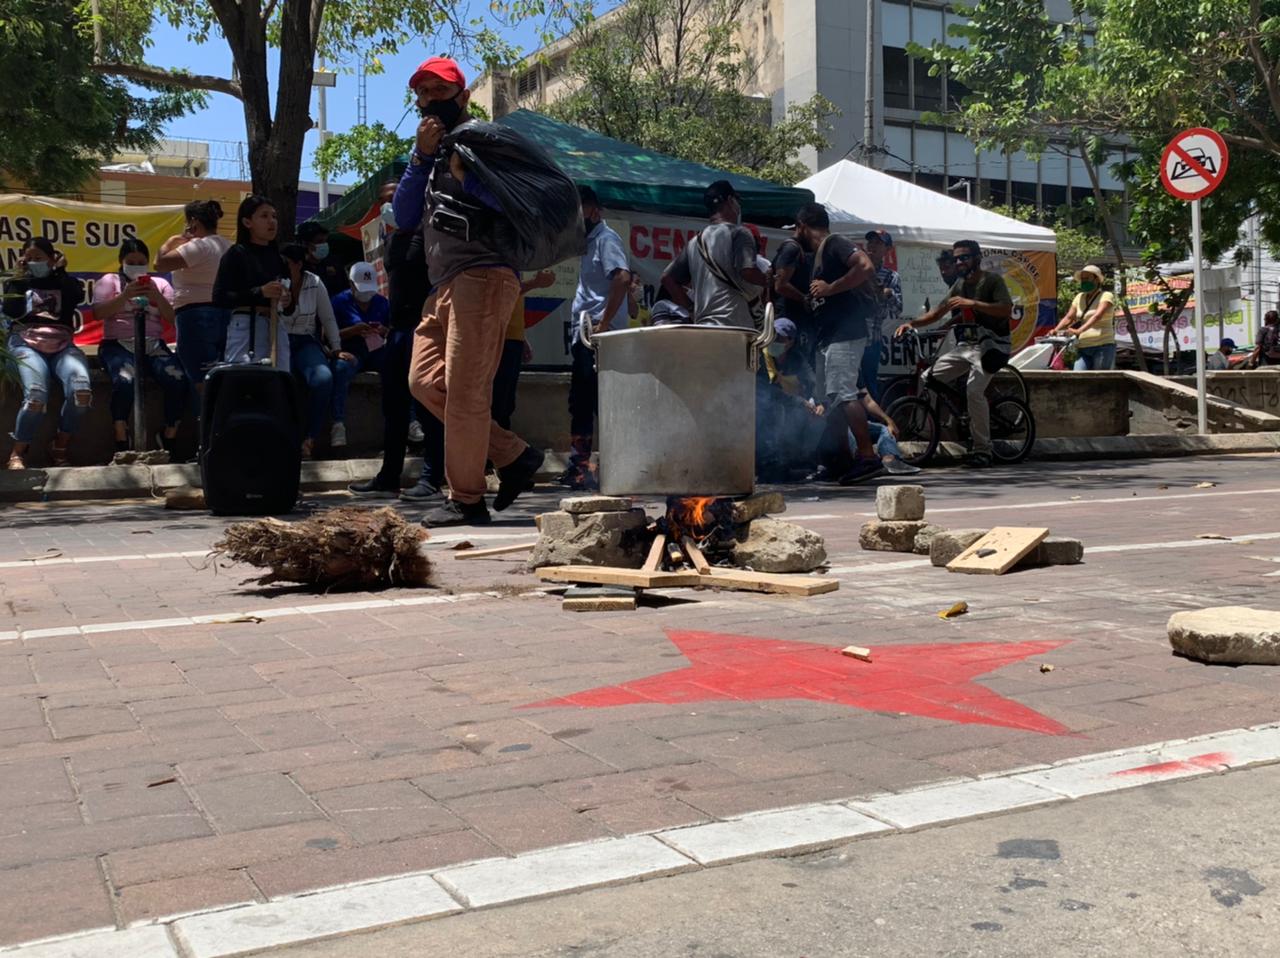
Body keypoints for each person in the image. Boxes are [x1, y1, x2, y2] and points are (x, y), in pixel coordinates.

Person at [393, 55, 546, 526]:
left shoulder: (484, 140)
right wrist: (420, 159)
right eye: (422, 93)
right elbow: (401, 217)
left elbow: (516, 204)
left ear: (461, 95)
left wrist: (469, 178)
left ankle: (466, 499)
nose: (428, 101)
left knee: (465, 394)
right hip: (444, 286)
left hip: (483, 276)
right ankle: (513, 455)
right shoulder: (431, 151)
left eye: (438, 92)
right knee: (423, 381)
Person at [347, 214, 443, 501]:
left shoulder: (431, 234)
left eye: (397, 196)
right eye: (387, 197)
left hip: (425, 328)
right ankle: (389, 477)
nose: (391, 205)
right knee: (393, 409)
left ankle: (432, 478)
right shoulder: (392, 240)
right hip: (397, 331)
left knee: (427, 407)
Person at [895, 239, 1014, 468]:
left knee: (973, 391)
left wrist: (973, 303)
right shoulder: (959, 284)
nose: (959, 262)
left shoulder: (992, 281)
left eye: (964, 257)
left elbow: (1005, 309)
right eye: (956, 258)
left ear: (977, 258)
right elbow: (938, 312)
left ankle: (983, 450)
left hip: (993, 346)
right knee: (927, 378)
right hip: (967, 347)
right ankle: (932, 435)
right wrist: (912, 324)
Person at [792, 202, 883, 484]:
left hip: (846, 333)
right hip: (829, 336)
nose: (796, 235)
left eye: (797, 229)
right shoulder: (820, 255)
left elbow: (865, 266)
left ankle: (868, 457)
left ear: (804, 226)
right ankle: (841, 460)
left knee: (844, 392)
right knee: (832, 398)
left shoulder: (834, 243)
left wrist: (831, 288)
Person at [91, 240, 188, 453]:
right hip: (117, 344)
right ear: (121, 262)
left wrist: (156, 297)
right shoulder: (110, 281)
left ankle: (168, 433)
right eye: (131, 262)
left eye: (141, 262)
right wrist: (125, 295)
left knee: (178, 379)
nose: (136, 266)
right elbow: (98, 313)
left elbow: (174, 318)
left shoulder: (160, 284)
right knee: (125, 380)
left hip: (152, 344)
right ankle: (121, 433)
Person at [564, 185, 631, 490]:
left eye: (578, 209)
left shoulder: (606, 239)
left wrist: (604, 323)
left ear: (593, 210)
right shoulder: (588, 243)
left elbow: (622, 278)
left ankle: (617, 468)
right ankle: (580, 469)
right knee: (581, 403)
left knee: (602, 404)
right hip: (585, 335)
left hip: (601, 339)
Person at [3, 239, 90, 469]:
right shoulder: (18, 282)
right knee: (35, 395)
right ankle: (18, 452)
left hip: (62, 344)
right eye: (29, 257)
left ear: (52, 259)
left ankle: (59, 446)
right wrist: (21, 276)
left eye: (40, 258)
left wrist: (60, 271)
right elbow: (11, 311)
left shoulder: (65, 282)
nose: (34, 262)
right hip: (25, 343)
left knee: (81, 391)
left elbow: (76, 297)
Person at [661, 180, 767, 327]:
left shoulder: (695, 242)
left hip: (704, 326)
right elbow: (747, 271)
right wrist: (768, 280)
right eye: (737, 201)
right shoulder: (739, 232)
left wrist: (692, 308)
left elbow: (668, 279)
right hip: (735, 325)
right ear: (730, 200)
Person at [281, 243, 354, 458]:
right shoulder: (274, 283)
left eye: (286, 263)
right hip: (279, 341)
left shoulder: (314, 282)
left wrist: (336, 347)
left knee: (322, 379)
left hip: (305, 340)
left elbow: (328, 318)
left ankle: (310, 438)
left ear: (298, 264)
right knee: (281, 383)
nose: (282, 267)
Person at [154, 200, 232, 394]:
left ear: (193, 222)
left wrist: (170, 243)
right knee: (222, 376)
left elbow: (160, 264)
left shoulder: (198, 246)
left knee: (202, 383)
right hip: (227, 316)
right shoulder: (230, 247)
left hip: (196, 318)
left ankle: (209, 423)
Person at [213, 194, 293, 370]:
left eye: (274, 216)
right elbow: (220, 297)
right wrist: (260, 292)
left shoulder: (279, 259)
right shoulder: (236, 254)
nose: (271, 222)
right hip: (246, 325)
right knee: (248, 381)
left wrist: (286, 300)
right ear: (247, 222)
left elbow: (290, 307)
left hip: (275, 324)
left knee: (279, 382)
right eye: (264, 216)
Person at [330, 263, 393, 450]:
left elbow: (390, 329)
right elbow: (329, 334)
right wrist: (353, 331)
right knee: (340, 370)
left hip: (376, 351)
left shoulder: (382, 302)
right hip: (351, 351)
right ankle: (338, 423)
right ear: (351, 284)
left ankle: (408, 421)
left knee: (397, 368)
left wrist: (383, 331)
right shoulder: (338, 302)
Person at [495, 270, 554, 431]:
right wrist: (535, 283)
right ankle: (493, 451)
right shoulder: (500, 259)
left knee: (507, 403)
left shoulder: (514, 263)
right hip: (498, 338)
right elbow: (504, 291)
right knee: (498, 403)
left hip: (513, 337)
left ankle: (500, 450)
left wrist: (522, 335)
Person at [862, 229, 902, 401]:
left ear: (888, 250)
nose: (872, 246)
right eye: (870, 242)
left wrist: (889, 294)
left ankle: (873, 424)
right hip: (848, 336)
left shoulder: (891, 276)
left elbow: (898, 309)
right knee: (847, 384)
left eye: (878, 243)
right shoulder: (854, 268)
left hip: (872, 339)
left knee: (869, 384)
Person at [1052, 265, 1116, 370]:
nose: (1084, 281)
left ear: (1096, 279)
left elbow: (1097, 316)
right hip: (1083, 347)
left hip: (1102, 346)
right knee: (1078, 376)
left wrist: (1079, 331)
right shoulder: (1079, 297)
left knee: (1098, 379)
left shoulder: (1106, 295)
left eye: (1087, 278)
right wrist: (1056, 330)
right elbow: (1069, 317)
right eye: (1082, 279)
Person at [295, 222, 349, 298]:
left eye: (325, 241)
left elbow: (346, 290)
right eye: (319, 242)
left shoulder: (334, 263)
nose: (324, 245)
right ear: (305, 244)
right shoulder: (298, 268)